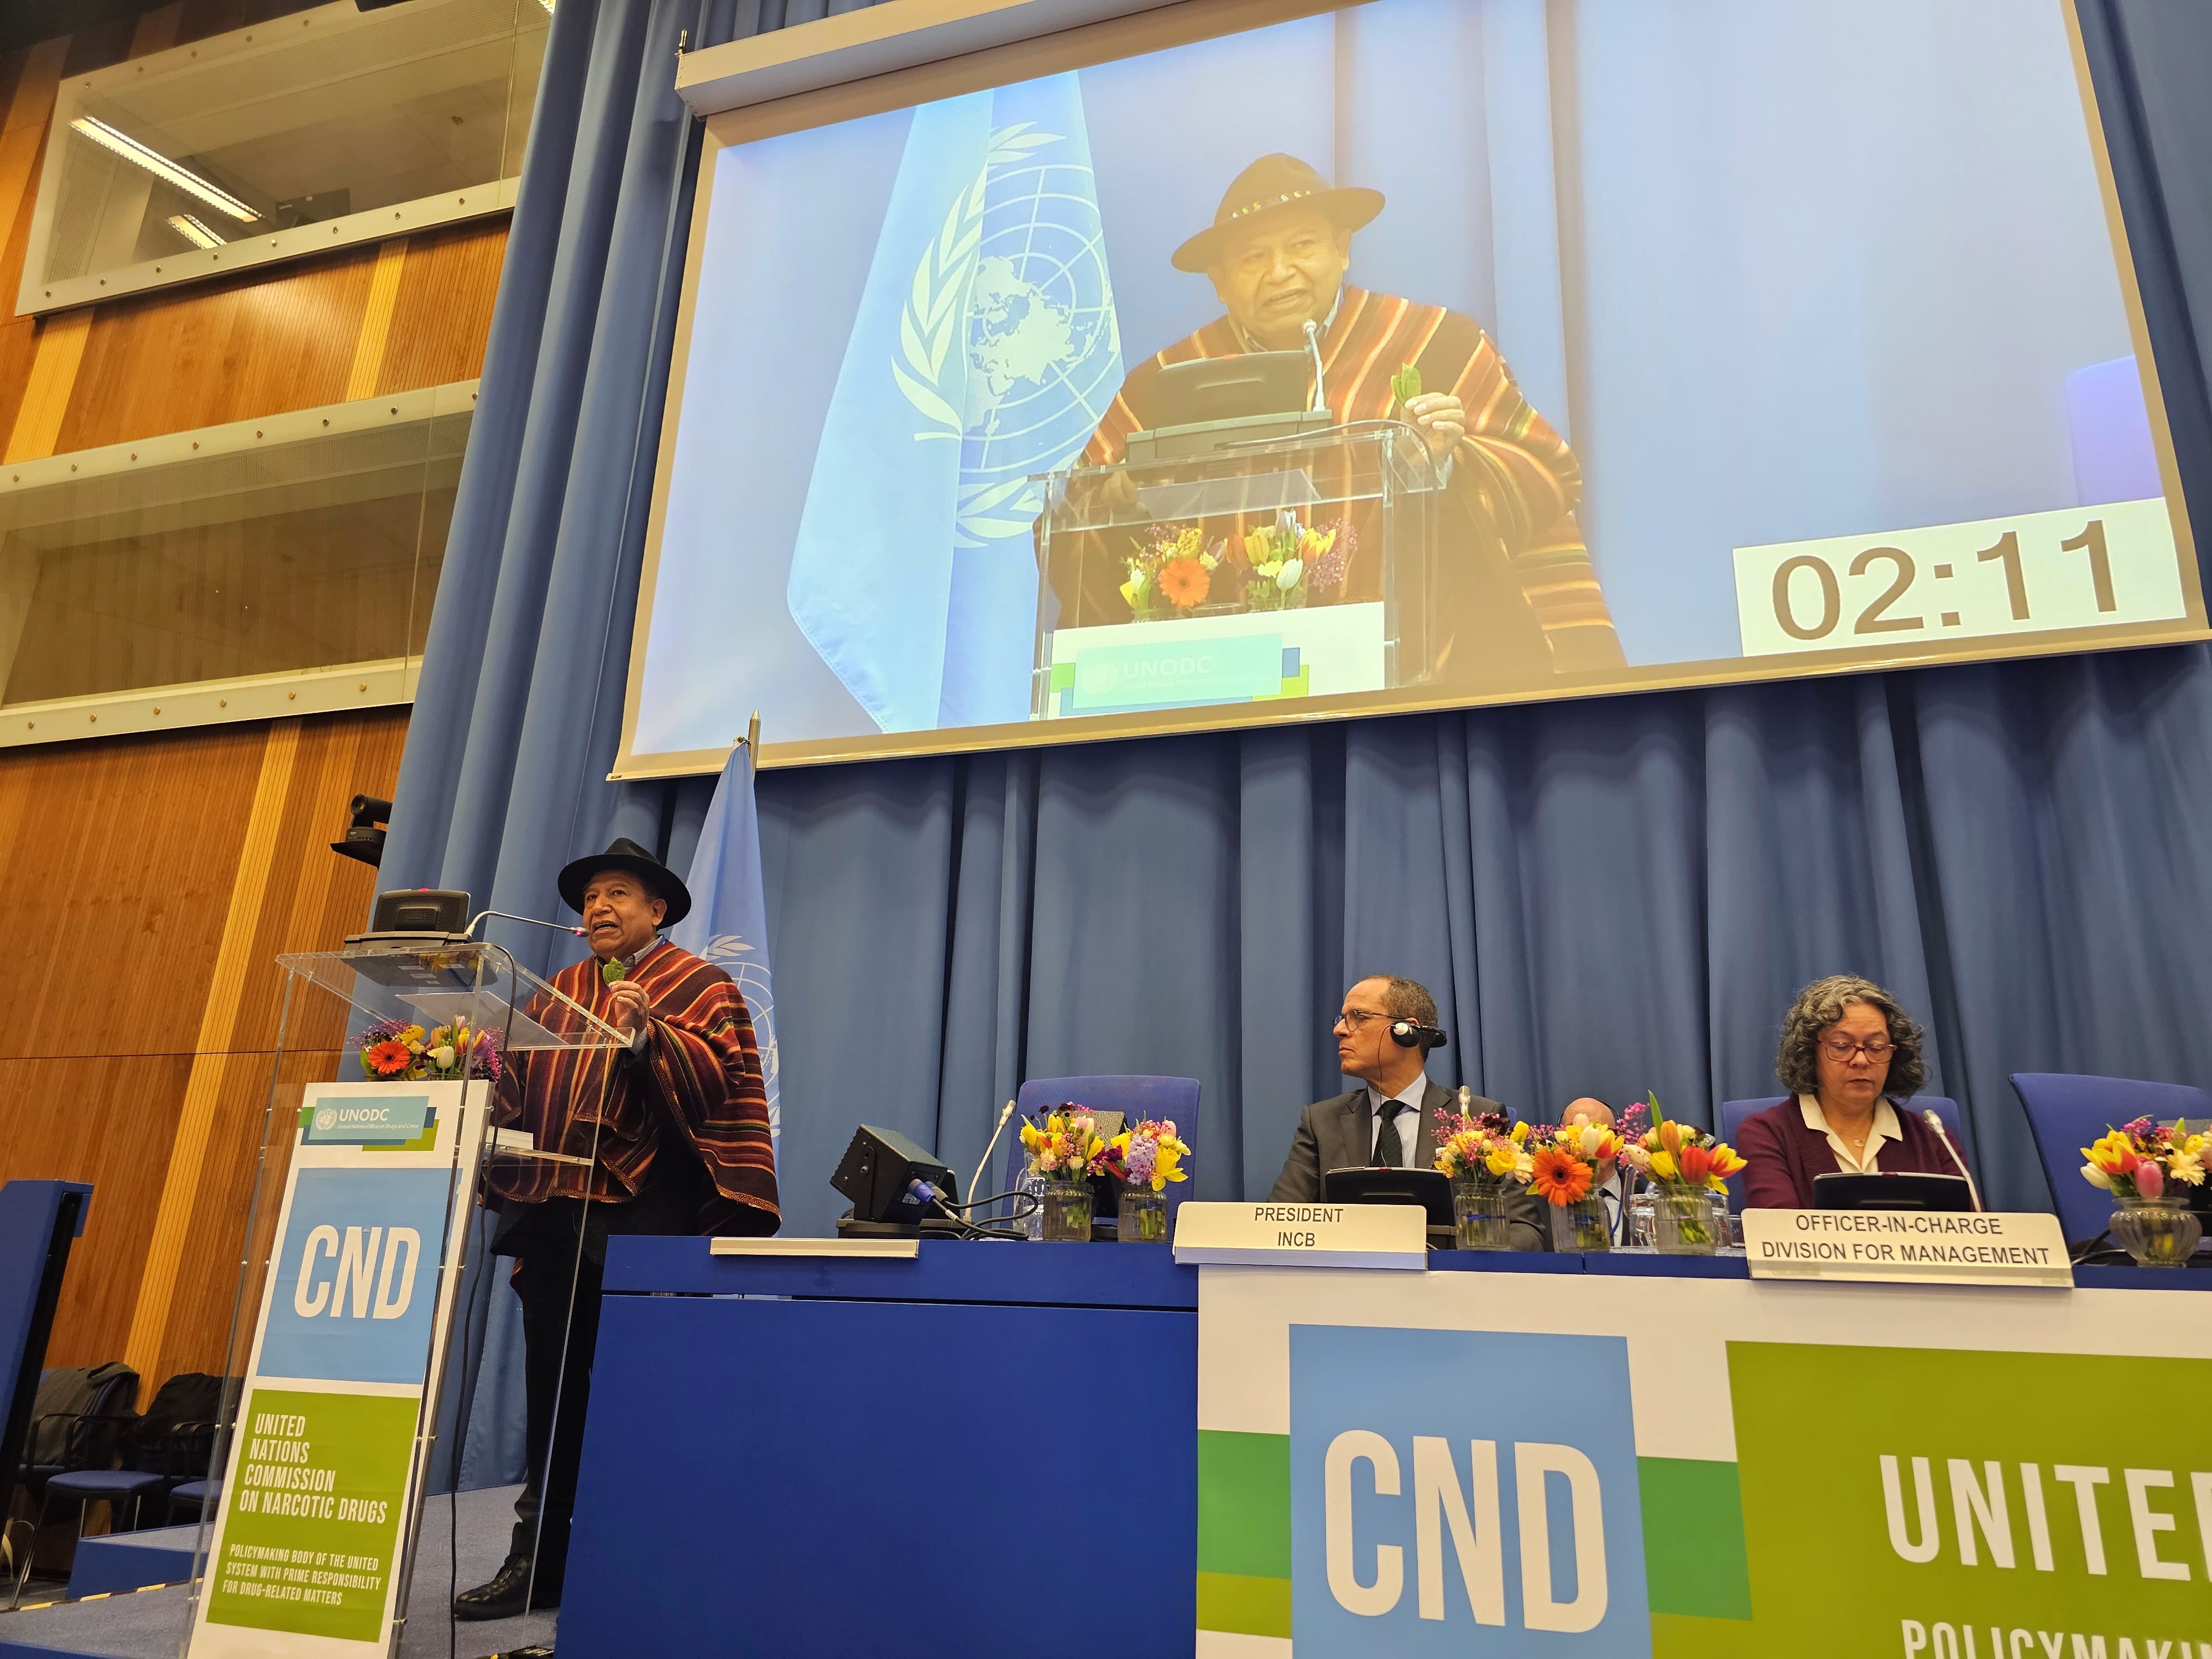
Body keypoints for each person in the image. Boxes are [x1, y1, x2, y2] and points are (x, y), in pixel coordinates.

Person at [1047, 153, 1623, 684]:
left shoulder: (1435, 345)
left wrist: (1445, 464)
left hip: (1415, 677)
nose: (1280, 272)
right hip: (1218, 679)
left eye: (1301, 245)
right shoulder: (1162, 383)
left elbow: (1546, 471)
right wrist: (1119, 508)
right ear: (1219, 282)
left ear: (1342, 250)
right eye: (1252, 258)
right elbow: (1073, 519)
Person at [453, 837, 779, 1620]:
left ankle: (646, 1561)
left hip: (647, 1218)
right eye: (592, 896)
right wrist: (477, 1069)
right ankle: (537, 1562)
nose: (599, 907)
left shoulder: (699, 982)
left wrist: (647, 1035)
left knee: (646, 1397)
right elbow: (522, 1089)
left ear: (657, 911)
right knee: (553, 1396)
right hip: (554, 1213)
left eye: (619, 894)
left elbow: (720, 1082)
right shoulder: (555, 991)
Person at [1271, 974, 1546, 1250]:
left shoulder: (1476, 1117)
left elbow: (1525, 1232)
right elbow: (1279, 1228)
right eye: (1342, 1019)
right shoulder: (1321, 1122)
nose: (1340, 1030)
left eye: (1358, 1017)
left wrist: (1459, 1263)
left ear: (1406, 1031)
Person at [1735, 974, 1974, 1209]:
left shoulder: (1934, 1138)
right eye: (1841, 1046)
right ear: (1810, 1054)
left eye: (1876, 1047)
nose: (1861, 1060)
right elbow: (1779, 1229)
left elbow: (1972, 1228)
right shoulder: (1768, 1134)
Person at [1561, 1097, 1628, 1242]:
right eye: (1575, 1133)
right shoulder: (1542, 1204)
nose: (1584, 1143)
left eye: (1596, 1130)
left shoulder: (1645, 1196)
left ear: (1618, 1139)